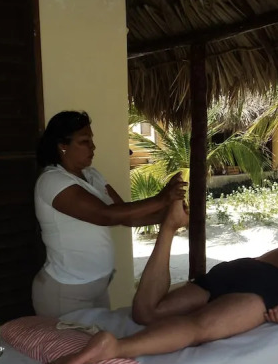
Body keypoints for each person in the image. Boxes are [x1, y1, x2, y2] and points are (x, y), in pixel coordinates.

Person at [40, 199, 278, 364]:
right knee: (197, 328)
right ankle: (116, 347)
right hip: (270, 285)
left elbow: (256, 270)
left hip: (238, 268)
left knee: (147, 313)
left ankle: (168, 228)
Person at [32, 111, 186, 317]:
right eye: (85, 141)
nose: (93, 147)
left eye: (91, 140)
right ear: (63, 146)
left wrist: (168, 216)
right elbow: (105, 215)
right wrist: (161, 199)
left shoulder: (91, 175)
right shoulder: (52, 181)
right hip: (65, 294)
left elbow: (124, 215)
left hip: (97, 289)